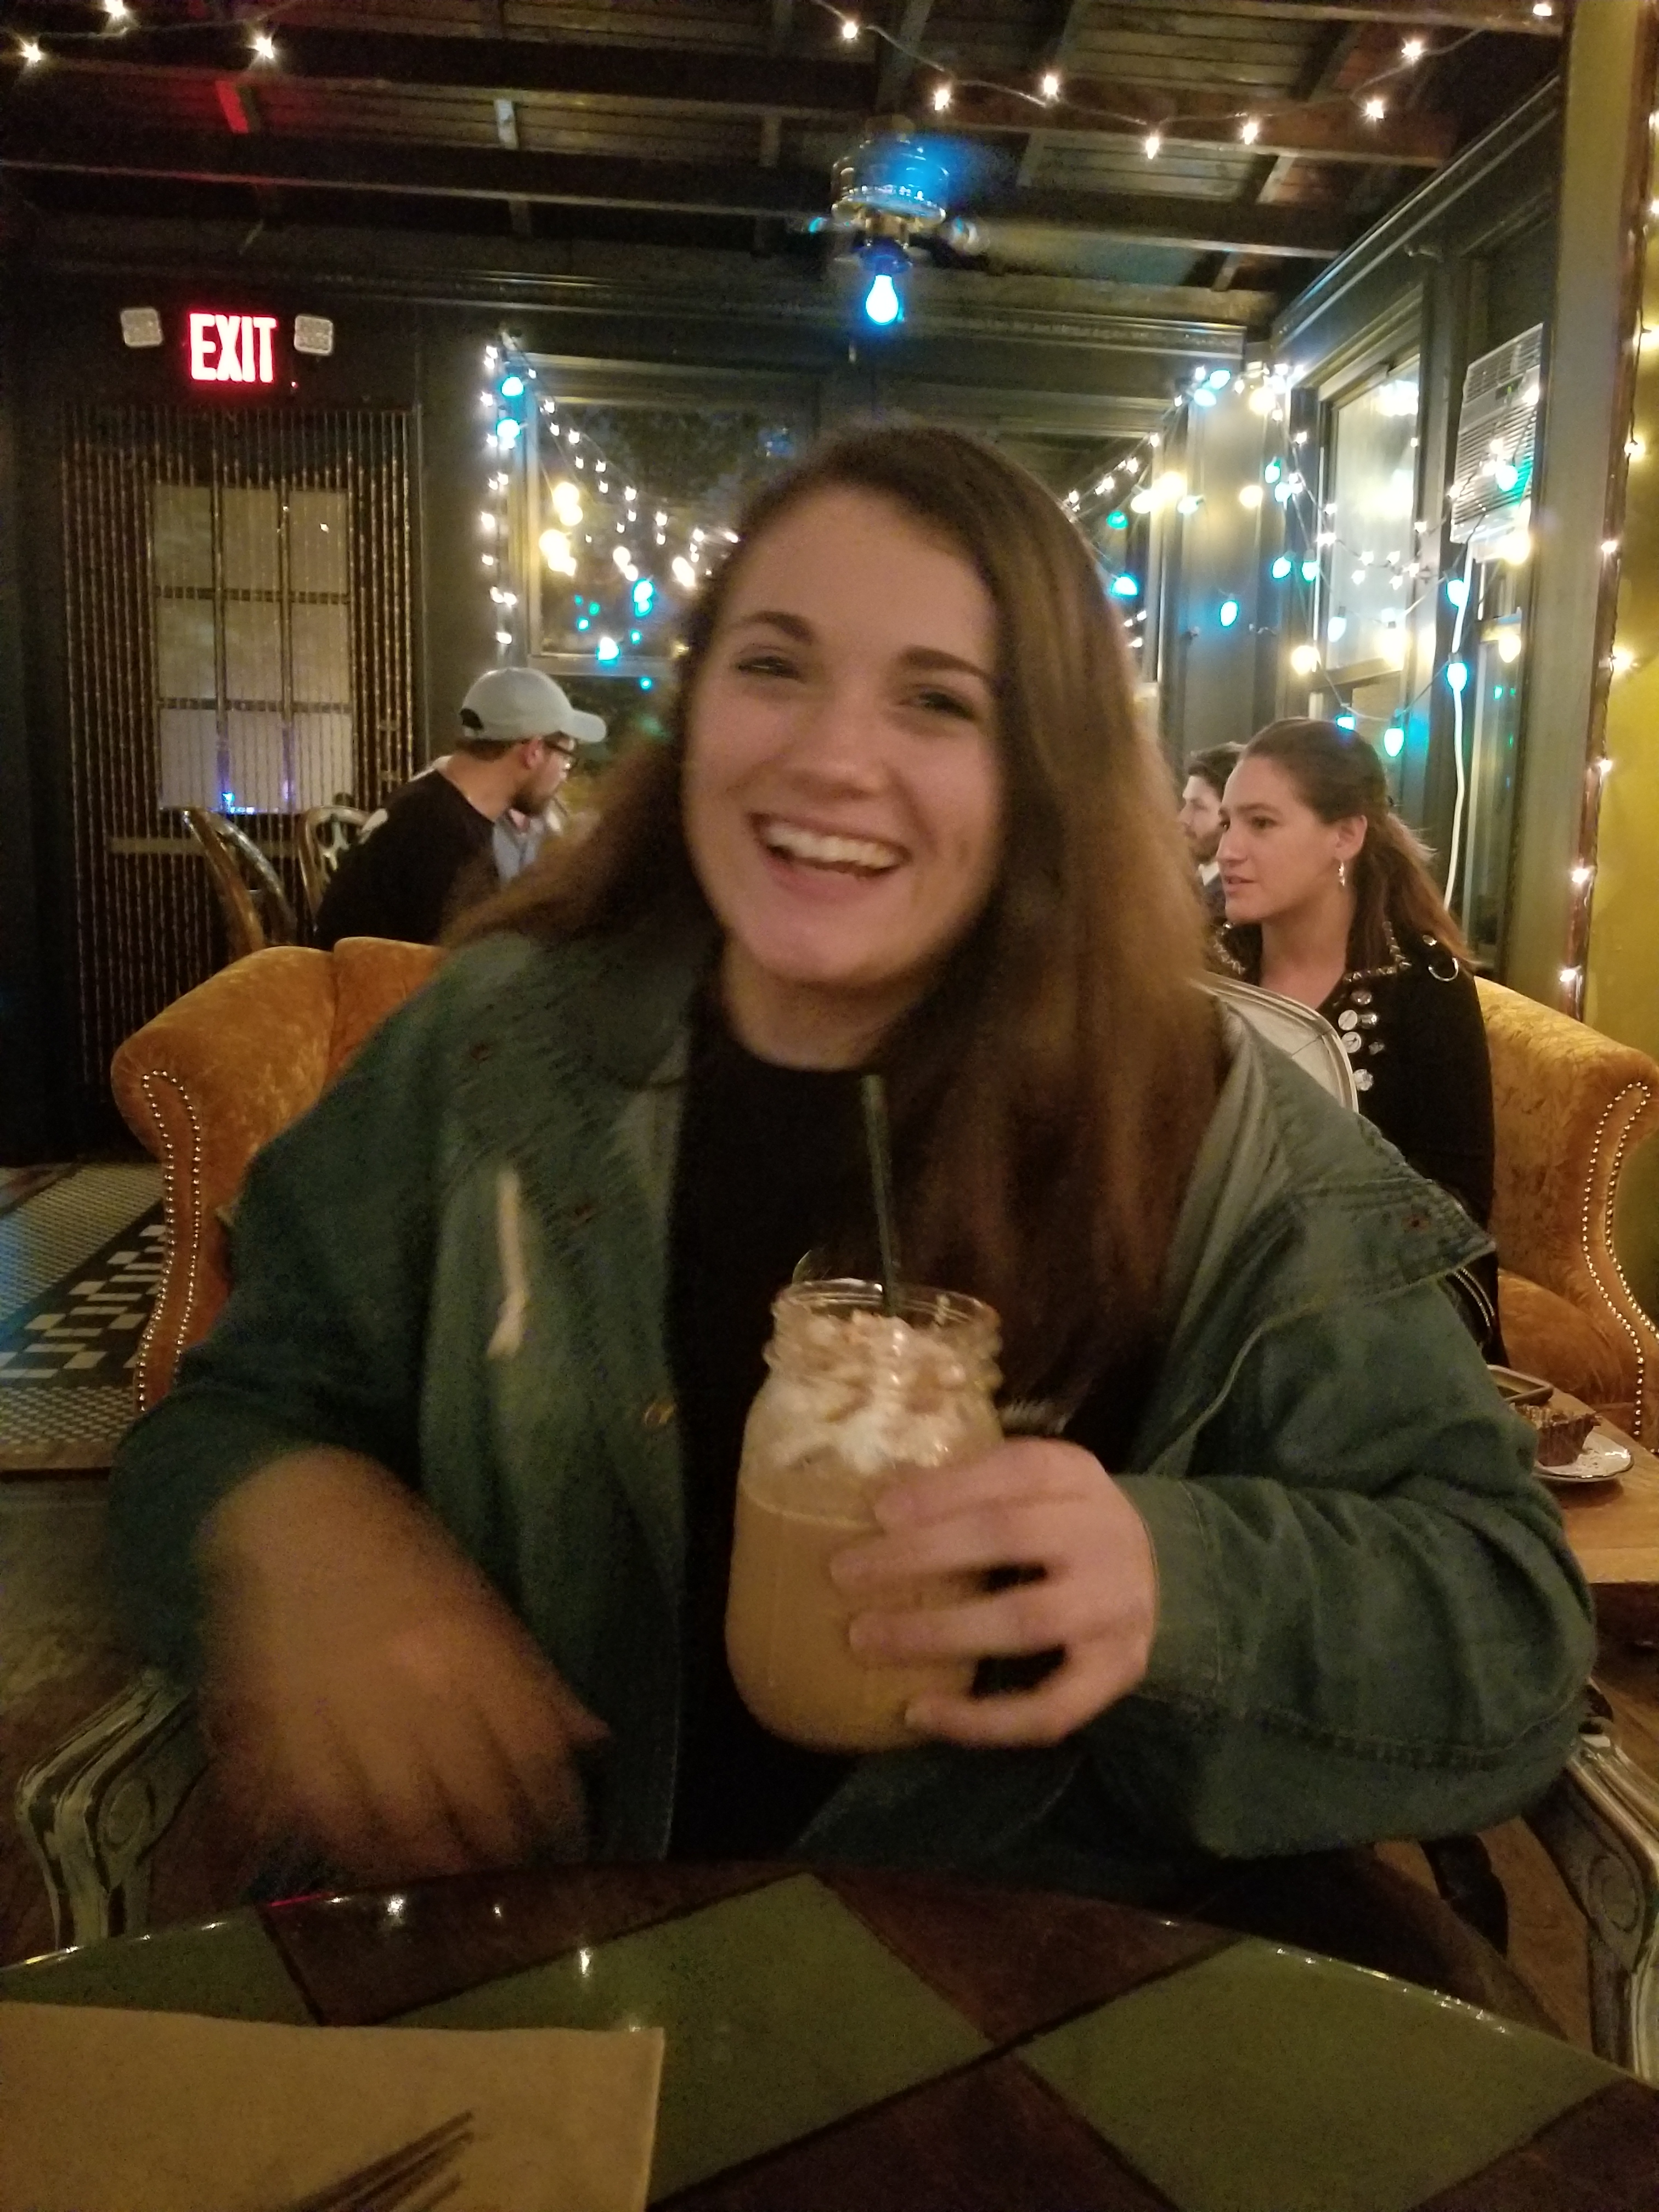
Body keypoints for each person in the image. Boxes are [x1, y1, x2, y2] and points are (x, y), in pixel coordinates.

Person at [109, 428, 1587, 1914]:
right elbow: (215, 1426)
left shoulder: (1225, 1142)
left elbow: (1510, 1639)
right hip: (545, 1951)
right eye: (773, 666)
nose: (828, 756)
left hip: (1036, 1984)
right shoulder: (492, 1055)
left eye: (938, 701)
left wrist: (1173, 1586)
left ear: (1050, 775)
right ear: (697, 709)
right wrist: (291, 1528)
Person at [1212, 717, 1506, 1355]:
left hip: (1384, 1299)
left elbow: (1456, 1205)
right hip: (1215, 1279)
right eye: (1227, 823)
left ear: (1345, 836)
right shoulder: (1205, 967)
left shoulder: (1426, 986)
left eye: (1261, 824)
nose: (1228, 850)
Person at [314, 667, 603, 949]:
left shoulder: (430, 802)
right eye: (567, 758)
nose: (565, 773)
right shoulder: (442, 836)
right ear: (534, 752)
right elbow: (469, 968)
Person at [1177, 746, 1240, 917]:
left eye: (1198, 807)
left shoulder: (1235, 903)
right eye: (1186, 804)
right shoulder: (1187, 884)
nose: (1183, 819)